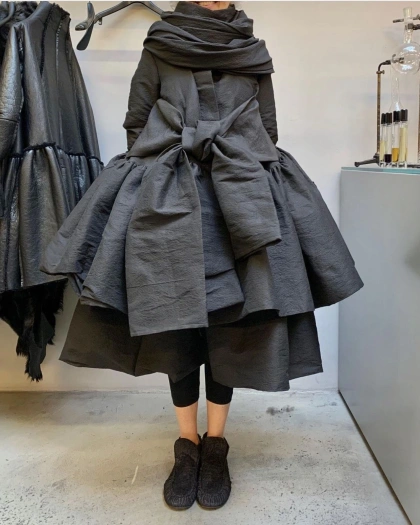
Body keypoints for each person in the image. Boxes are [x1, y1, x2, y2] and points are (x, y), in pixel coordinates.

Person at [41, 0, 363, 512]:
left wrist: (235, 168)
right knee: (175, 324)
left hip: (240, 201)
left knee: (232, 328)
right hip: (168, 199)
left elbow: (268, 130)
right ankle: (186, 444)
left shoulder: (253, 52)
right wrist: (168, 169)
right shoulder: (161, 44)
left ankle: (216, 445)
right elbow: (137, 122)